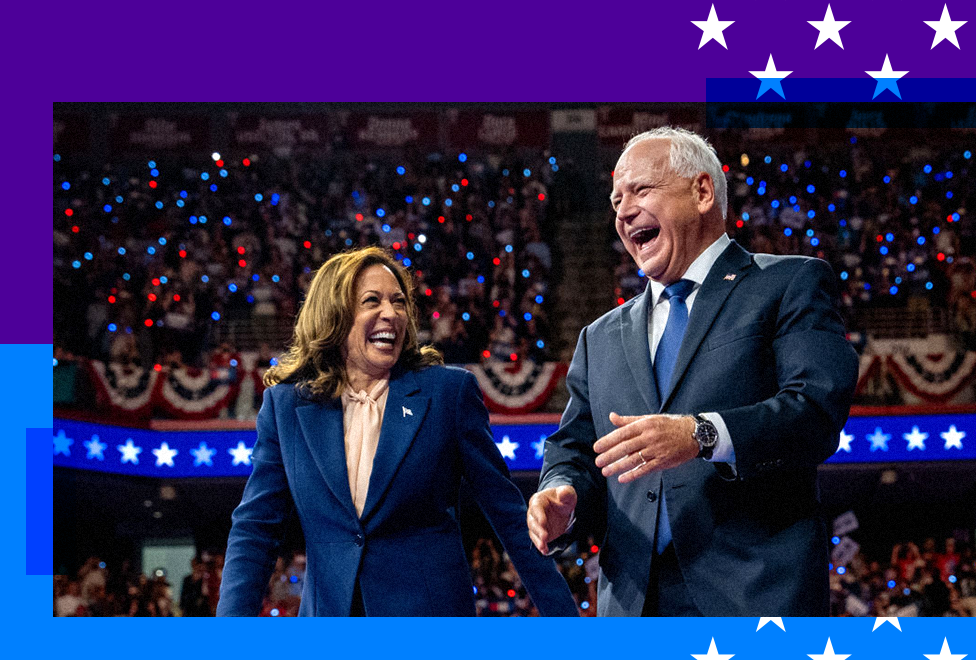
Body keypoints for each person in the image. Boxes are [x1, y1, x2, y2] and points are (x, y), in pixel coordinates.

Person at [527, 127, 859, 616]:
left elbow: (815, 412)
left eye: (640, 190)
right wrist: (561, 493)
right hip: (634, 611)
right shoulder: (599, 338)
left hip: (755, 601)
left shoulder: (789, 283)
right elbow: (576, 448)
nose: (622, 210)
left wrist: (702, 434)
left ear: (703, 192)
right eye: (616, 199)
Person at [218, 246, 577, 616]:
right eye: (371, 301)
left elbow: (509, 516)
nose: (391, 314)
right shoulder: (286, 407)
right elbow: (255, 530)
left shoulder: (447, 394)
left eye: (399, 302)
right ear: (334, 315)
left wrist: (569, 626)